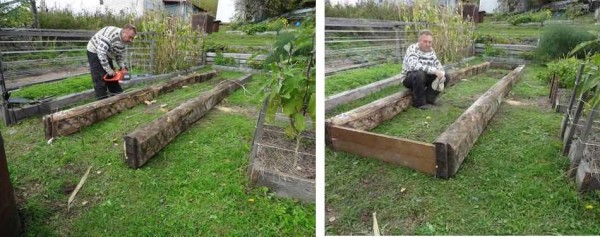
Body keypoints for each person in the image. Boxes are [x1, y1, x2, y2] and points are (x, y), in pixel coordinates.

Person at [400, 29, 449, 109]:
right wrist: (434, 71)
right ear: (419, 41)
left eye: (430, 42)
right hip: (410, 78)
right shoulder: (412, 49)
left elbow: (436, 63)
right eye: (425, 41)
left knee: (446, 76)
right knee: (419, 73)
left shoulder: (431, 50)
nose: (428, 44)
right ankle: (419, 103)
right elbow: (414, 66)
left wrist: (441, 72)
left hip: (424, 77)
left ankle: (429, 99)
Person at [86, 24, 137, 100]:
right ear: (124, 32)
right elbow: (101, 53)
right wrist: (109, 70)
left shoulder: (124, 41)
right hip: (95, 51)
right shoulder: (110, 36)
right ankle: (102, 103)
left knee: (112, 77)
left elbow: (119, 55)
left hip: (107, 53)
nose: (131, 40)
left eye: (132, 38)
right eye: (130, 37)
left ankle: (118, 98)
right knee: (100, 79)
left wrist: (122, 67)